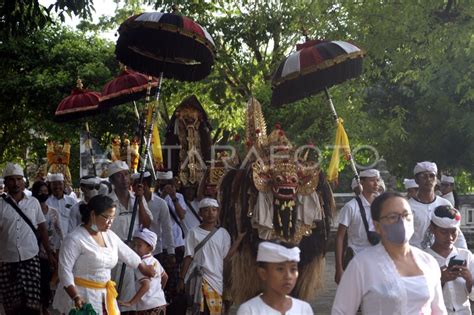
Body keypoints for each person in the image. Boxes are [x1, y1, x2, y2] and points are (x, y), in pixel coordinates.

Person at [332, 192, 447, 314]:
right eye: (392, 217)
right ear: (377, 226)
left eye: (406, 215)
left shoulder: (428, 262)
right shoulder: (362, 265)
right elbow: (341, 311)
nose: (401, 222)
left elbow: (439, 310)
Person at [52, 195, 156, 315]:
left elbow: (127, 253)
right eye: (107, 217)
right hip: (81, 296)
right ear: (92, 215)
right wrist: (75, 296)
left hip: (105, 296)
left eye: (113, 217)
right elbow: (64, 271)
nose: (110, 222)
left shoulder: (109, 235)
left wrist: (142, 266)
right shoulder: (74, 239)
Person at [0, 163, 55, 315]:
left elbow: (42, 229)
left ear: (24, 182)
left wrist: (49, 253)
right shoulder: (0, 205)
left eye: (19, 179)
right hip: (7, 261)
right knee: (12, 306)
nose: (16, 183)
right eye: (11, 180)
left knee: (32, 304)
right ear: (6, 183)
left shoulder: (33, 203)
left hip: (31, 259)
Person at [107, 161, 153, 314]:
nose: (124, 178)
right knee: (112, 300)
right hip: (114, 257)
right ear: (112, 180)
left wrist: (140, 200)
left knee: (131, 302)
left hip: (135, 255)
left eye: (126, 174)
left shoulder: (137, 199)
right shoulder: (107, 202)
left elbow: (146, 224)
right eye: (119, 176)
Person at [178, 198, 232, 315]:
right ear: (200, 213)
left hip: (217, 280)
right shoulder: (193, 233)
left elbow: (226, 258)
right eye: (206, 210)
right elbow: (188, 257)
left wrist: (239, 240)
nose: (210, 213)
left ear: (218, 212)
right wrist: (182, 279)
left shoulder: (223, 233)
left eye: (214, 210)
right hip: (198, 279)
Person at [236, 241, 313, 315]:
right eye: (280, 269)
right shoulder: (249, 310)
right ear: (263, 273)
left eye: (293, 269)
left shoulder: (304, 309)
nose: (288, 276)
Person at [425, 206, 474, 314]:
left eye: (453, 232)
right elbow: (419, 298)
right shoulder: (424, 258)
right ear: (432, 229)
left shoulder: (466, 255)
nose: (450, 238)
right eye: (443, 232)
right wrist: (440, 280)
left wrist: (469, 280)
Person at [335, 169, 380, 284]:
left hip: (378, 259)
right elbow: (340, 237)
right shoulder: (350, 207)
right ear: (362, 183)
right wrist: (339, 268)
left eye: (377, 180)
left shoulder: (382, 205)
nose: (376, 184)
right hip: (356, 259)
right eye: (372, 180)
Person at [408, 161, 467, 249]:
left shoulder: (445, 203)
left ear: (436, 180)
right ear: (416, 180)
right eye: (423, 176)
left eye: (431, 176)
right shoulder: (408, 207)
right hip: (416, 257)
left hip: (441, 257)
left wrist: (463, 253)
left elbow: (455, 231)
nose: (428, 179)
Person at [32, 180, 64, 315]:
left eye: (45, 191)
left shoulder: (53, 212)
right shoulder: (30, 210)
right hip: (33, 252)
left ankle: (44, 307)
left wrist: (60, 248)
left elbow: (60, 232)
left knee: (46, 280)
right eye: (40, 191)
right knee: (36, 281)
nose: (43, 194)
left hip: (49, 252)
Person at [120, 227, 168, 315]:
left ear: (150, 248)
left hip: (147, 306)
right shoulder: (155, 261)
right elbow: (165, 277)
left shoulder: (141, 265)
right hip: (160, 302)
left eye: (139, 245)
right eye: (134, 245)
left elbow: (146, 286)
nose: (135, 248)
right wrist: (159, 291)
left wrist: (131, 302)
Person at [131, 172, 175, 258]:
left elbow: (167, 228)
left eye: (135, 185)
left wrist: (171, 252)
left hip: (155, 251)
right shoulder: (132, 202)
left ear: (144, 184)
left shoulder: (160, 203)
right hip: (135, 250)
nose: (133, 188)